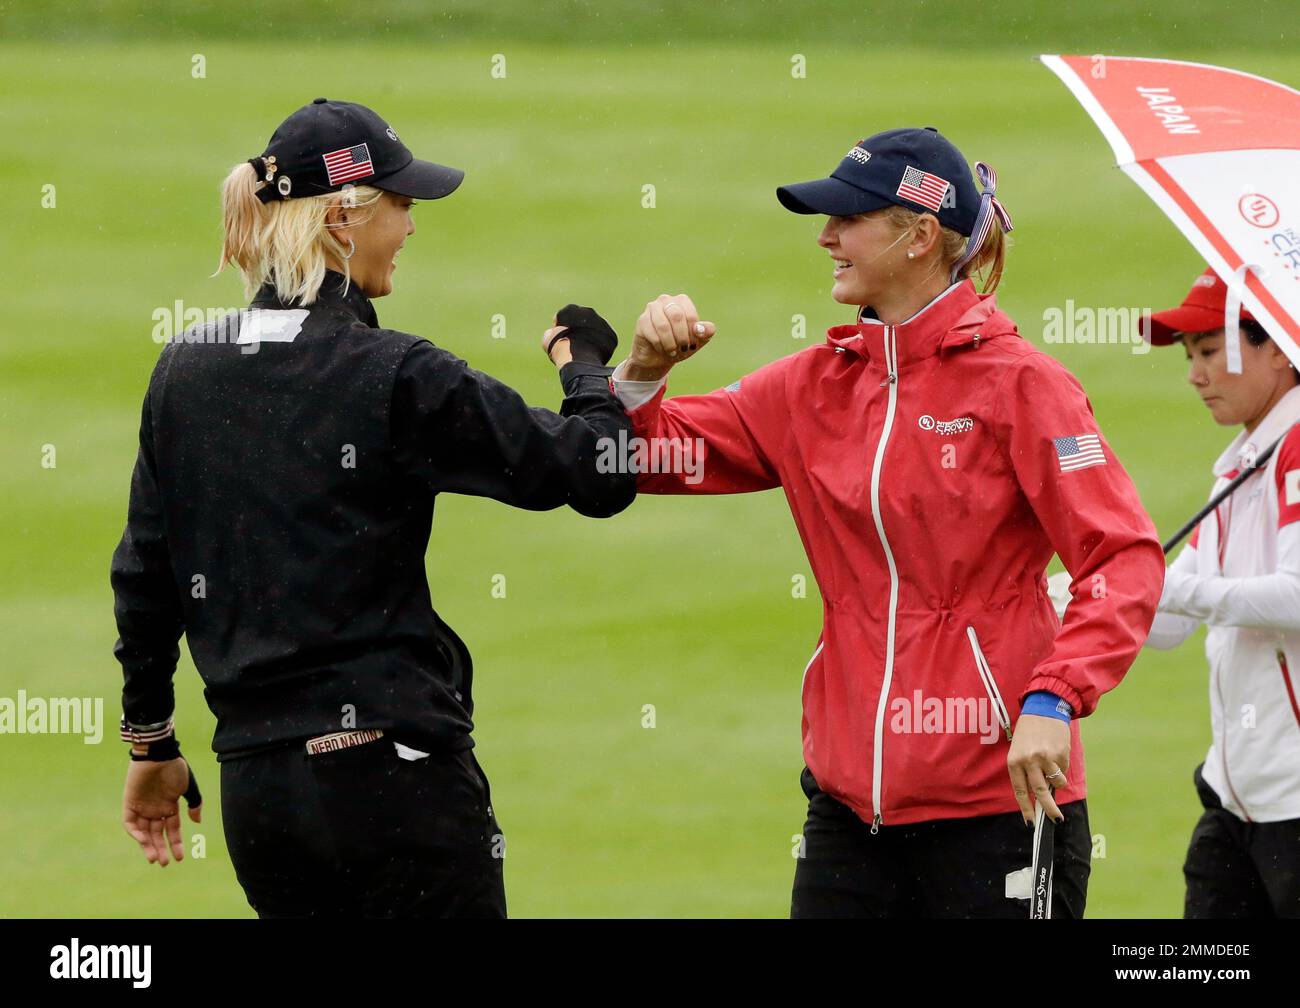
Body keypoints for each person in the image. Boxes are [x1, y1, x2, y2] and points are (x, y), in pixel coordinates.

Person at [606, 127, 1165, 917]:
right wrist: (640, 376)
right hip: (846, 814)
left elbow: (1124, 556)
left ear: (919, 237)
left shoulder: (1027, 387)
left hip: (998, 809)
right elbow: (636, 458)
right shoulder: (813, 385)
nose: (826, 236)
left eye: (849, 218)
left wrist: (1054, 698)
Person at [111, 97, 637, 918]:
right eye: (402, 204)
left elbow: (146, 575)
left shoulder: (184, 369)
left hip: (259, 798)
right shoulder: (394, 372)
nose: (412, 226)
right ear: (343, 221)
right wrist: (587, 367)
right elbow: (598, 474)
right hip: (395, 786)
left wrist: (150, 743)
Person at [1137, 267, 1300, 918]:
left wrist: (1173, 587)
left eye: (1210, 351)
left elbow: (1296, 595)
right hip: (1236, 803)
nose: (1194, 375)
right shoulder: (1241, 462)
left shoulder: (1294, 452)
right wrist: (1091, 593)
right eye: (1189, 356)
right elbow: (1174, 623)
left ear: (1281, 350)